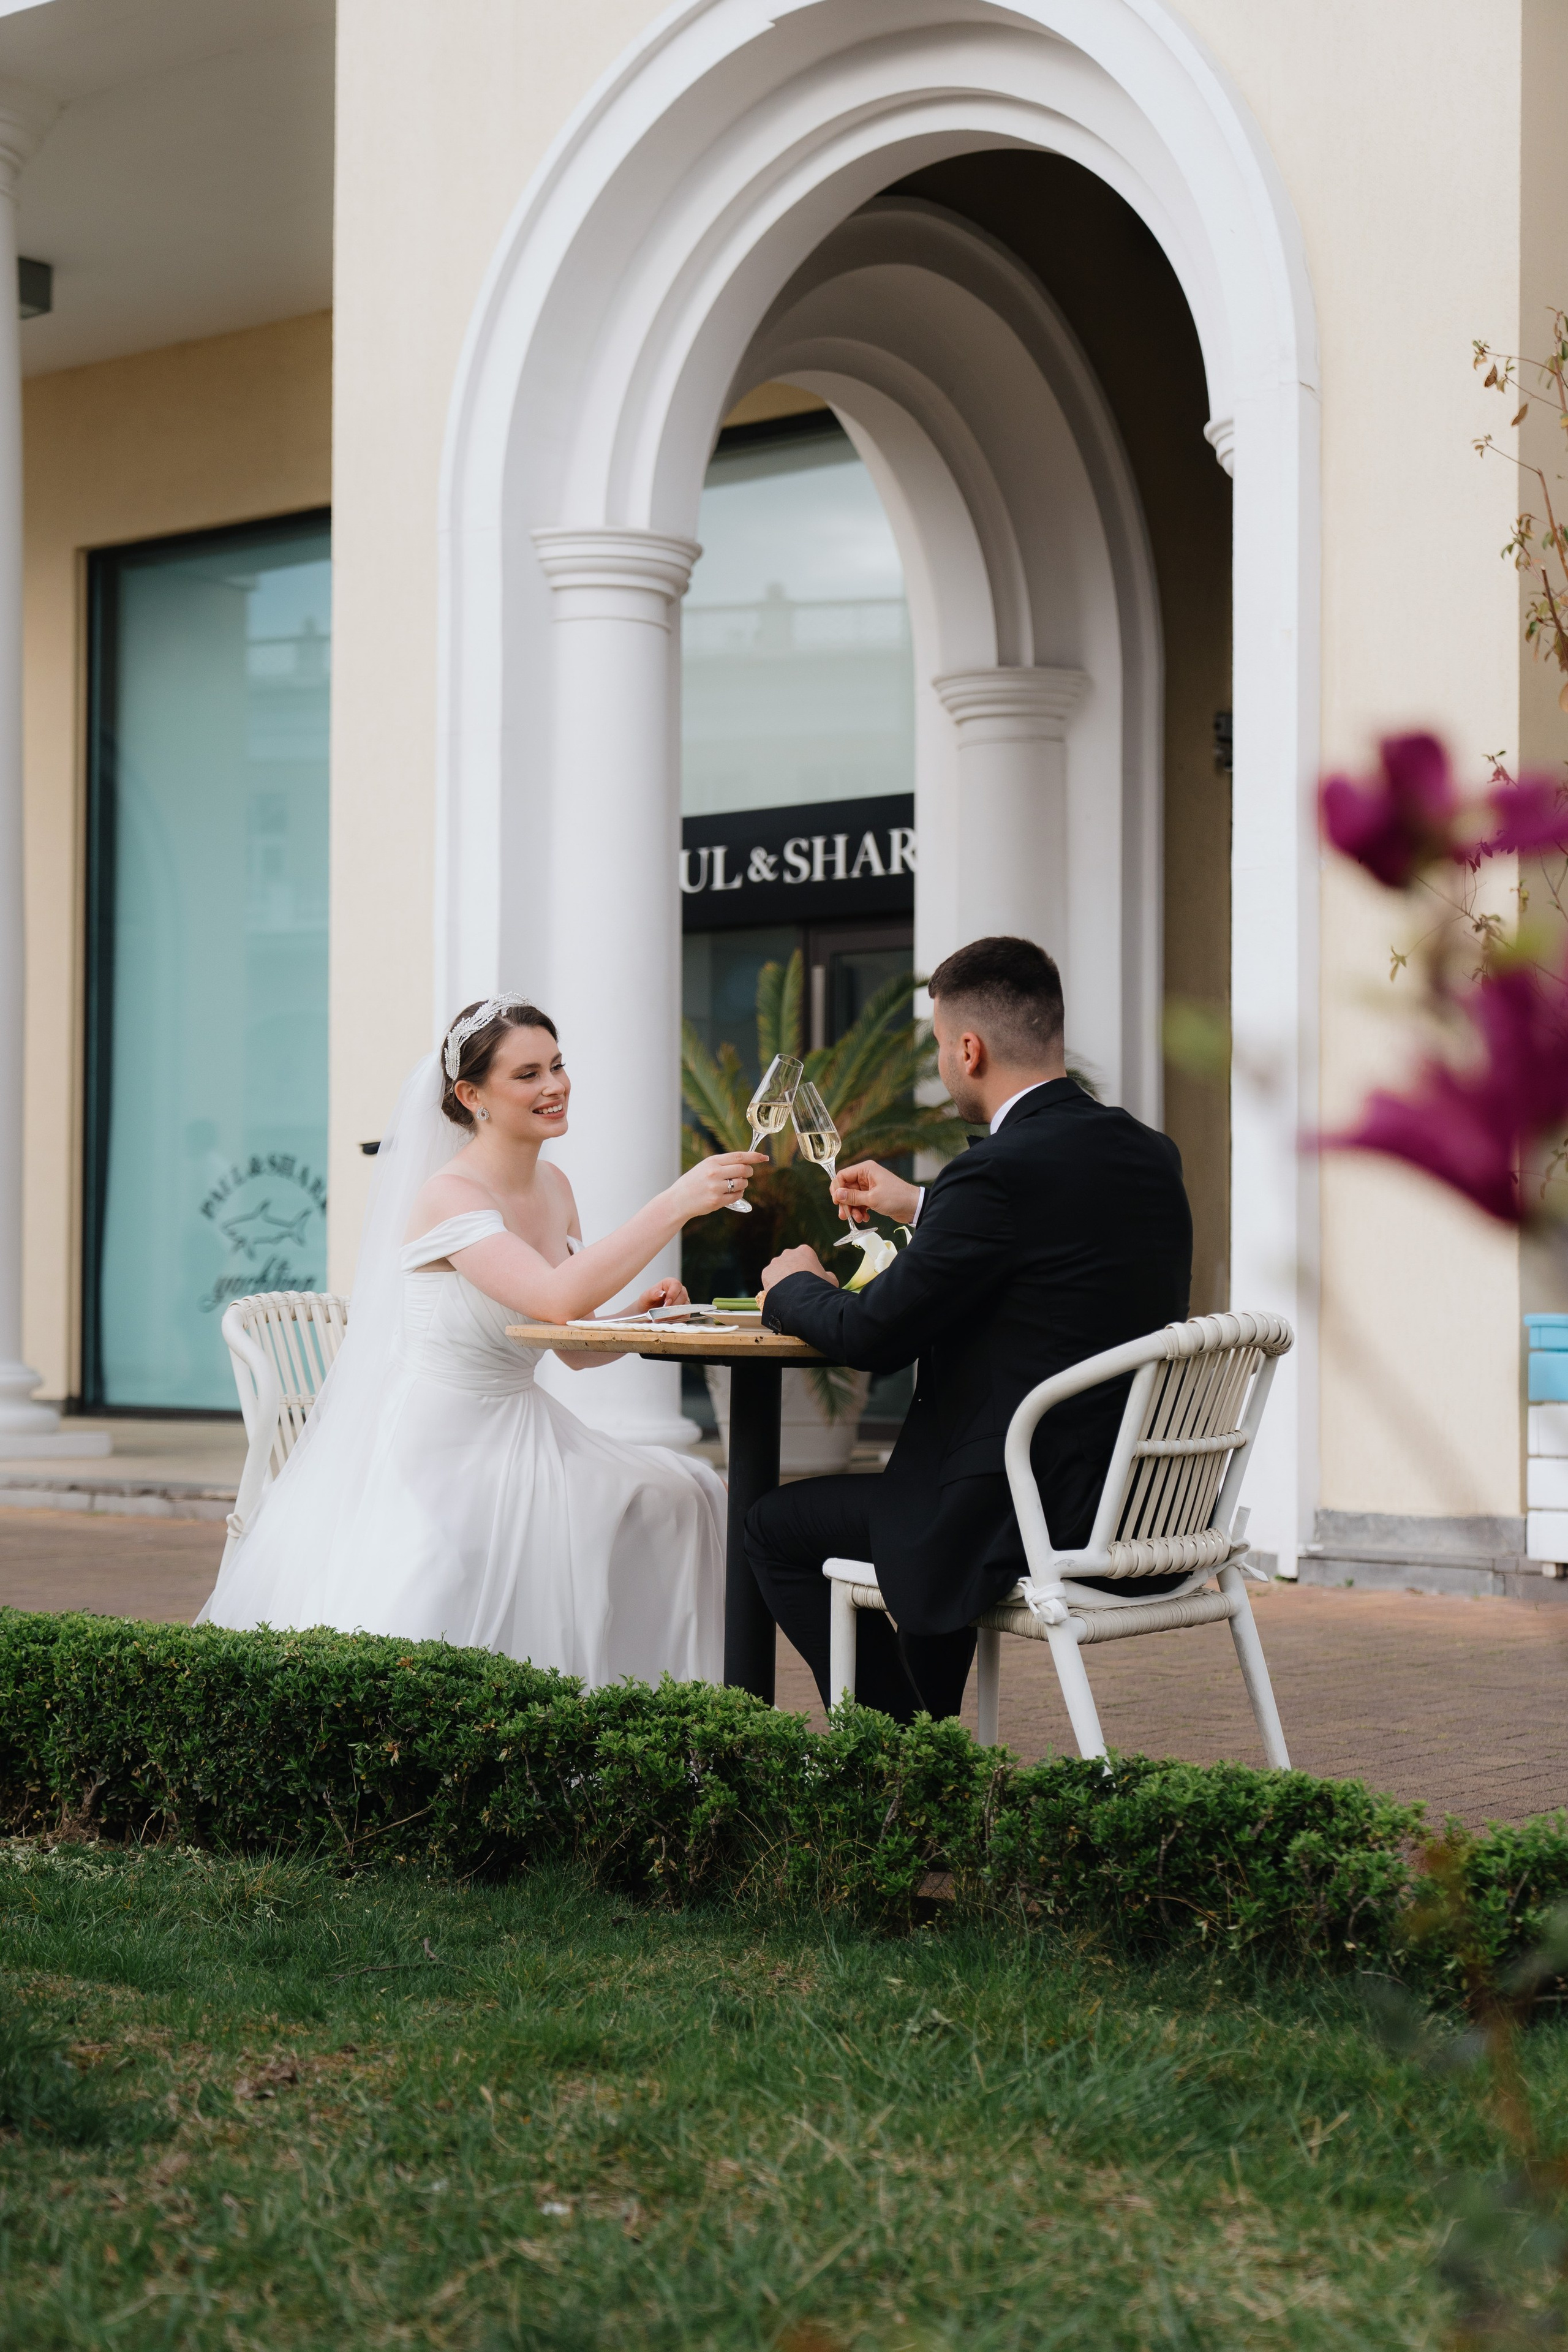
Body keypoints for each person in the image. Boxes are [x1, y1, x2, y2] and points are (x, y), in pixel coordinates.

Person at [198, 997, 764, 1686]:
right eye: (526, 1074)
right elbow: (557, 1299)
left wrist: (644, 1315)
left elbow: (572, 1346)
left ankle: (656, 1718)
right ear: (472, 1095)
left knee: (688, 1491)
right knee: (607, 1516)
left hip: (525, 1423)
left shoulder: (555, 1185)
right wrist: (674, 1203)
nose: (553, 1086)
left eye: (557, 1066)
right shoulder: (451, 1194)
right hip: (443, 1441)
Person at [745, 936, 1193, 1723]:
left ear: (968, 1048)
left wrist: (794, 1287)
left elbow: (872, 1336)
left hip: (1023, 1508)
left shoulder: (993, 1173)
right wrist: (921, 1206)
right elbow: (1055, 1247)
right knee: (929, 1486)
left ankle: (904, 1749)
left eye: (939, 1049)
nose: (943, 1068)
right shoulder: (1147, 1153)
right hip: (1140, 1504)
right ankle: (924, 1751)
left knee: (776, 1527)